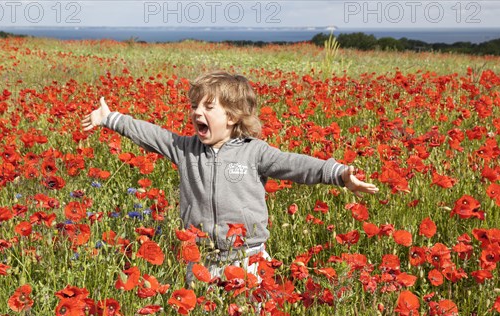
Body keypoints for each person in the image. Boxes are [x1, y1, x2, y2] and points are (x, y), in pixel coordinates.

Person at [82, 71, 378, 285]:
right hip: (202, 258)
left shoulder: (254, 152)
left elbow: (295, 164)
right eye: (195, 107)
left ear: (233, 117)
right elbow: (151, 134)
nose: (197, 112)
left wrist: (338, 173)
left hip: (247, 256)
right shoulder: (186, 150)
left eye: (208, 108)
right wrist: (110, 118)